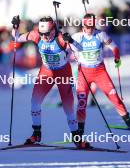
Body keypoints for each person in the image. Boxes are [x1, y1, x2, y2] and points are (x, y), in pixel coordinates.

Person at [11, 15, 90, 148]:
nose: (44, 37)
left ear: (53, 30)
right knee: (35, 102)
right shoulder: (36, 35)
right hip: (46, 72)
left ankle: (77, 138)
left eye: (47, 34)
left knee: (68, 108)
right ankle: (36, 134)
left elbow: (80, 49)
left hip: (63, 72)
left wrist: (71, 40)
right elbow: (17, 37)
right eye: (42, 34)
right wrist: (15, 27)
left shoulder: (61, 39)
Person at [63, 13, 130, 136]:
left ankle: (129, 122)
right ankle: (80, 131)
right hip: (84, 73)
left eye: (92, 27)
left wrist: (117, 57)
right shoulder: (77, 37)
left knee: (114, 97)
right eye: (87, 27)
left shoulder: (101, 34)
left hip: (100, 72)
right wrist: (66, 40)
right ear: (83, 26)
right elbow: (65, 48)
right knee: (82, 103)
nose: (89, 29)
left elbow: (115, 48)